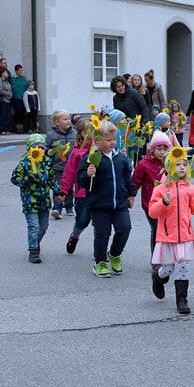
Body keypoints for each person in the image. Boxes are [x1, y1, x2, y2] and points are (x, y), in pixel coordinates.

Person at [148, 151, 194, 313]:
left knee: (184, 266)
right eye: (178, 164)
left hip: (185, 236)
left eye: (185, 164)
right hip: (167, 236)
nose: (182, 167)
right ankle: (158, 277)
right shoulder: (161, 188)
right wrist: (164, 202)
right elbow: (153, 212)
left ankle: (182, 299)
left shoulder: (189, 188)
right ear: (168, 166)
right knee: (169, 269)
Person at [77, 120, 136, 278]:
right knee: (103, 234)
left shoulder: (120, 157)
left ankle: (114, 254)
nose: (112, 142)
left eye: (114, 139)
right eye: (108, 140)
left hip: (120, 203)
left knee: (125, 228)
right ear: (97, 141)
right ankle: (100, 262)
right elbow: (81, 181)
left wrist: (131, 194)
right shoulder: (91, 158)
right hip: (98, 204)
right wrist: (87, 175)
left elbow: (127, 177)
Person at [11, 133, 60, 263]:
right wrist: (27, 180)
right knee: (34, 226)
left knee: (43, 227)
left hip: (44, 201)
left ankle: (35, 242)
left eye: (41, 148)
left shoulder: (47, 162)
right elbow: (14, 179)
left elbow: (51, 179)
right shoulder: (24, 164)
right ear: (29, 150)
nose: (39, 150)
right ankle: (33, 250)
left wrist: (58, 191)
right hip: (30, 201)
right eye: (35, 148)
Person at [131, 130, 171, 260]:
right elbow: (135, 182)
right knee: (157, 229)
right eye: (159, 149)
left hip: (168, 202)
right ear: (152, 149)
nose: (162, 152)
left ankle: (166, 256)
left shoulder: (170, 163)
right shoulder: (143, 164)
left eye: (165, 149)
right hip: (150, 204)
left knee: (167, 229)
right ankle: (155, 258)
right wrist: (130, 196)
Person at [60, 118, 94, 254]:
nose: (94, 133)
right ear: (83, 134)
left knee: (100, 223)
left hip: (100, 192)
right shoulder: (77, 152)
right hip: (82, 193)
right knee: (82, 220)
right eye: (90, 130)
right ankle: (75, 235)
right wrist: (64, 190)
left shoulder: (101, 149)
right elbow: (69, 172)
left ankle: (100, 251)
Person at [45, 109, 77, 219]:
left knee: (70, 187)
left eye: (69, 119)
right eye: (65, 119)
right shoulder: (51, 135)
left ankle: (69, 206)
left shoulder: (74, 133)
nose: (68, 121)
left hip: (71, 166)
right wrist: (48, 151)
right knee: (58, 187)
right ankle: (57, 207)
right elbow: (45, 147)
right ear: (57, 122)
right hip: (58, 166)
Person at [0, 68, 13, 134]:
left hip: (8, 100)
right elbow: (0, 90)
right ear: (2, 73)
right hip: (2, 100)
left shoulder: (6, 81)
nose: (7, 74)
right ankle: (1, 129)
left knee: (7, 115)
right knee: (2, 115)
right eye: (6, 73)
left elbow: (10, 89)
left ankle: (6, 129)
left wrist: (10, 95)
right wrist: (7, 94)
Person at [10, 65, 28, 133]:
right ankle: (18, 128)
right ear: (16, 71)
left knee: (23, 112)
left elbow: (28, 85)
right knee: (18, 112)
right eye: (20, 70)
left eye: (21, 70)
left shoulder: (23, 78)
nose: (21, 72)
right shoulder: (13, 79)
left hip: (23, 98)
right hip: (16, 98)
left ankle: (23, 127)